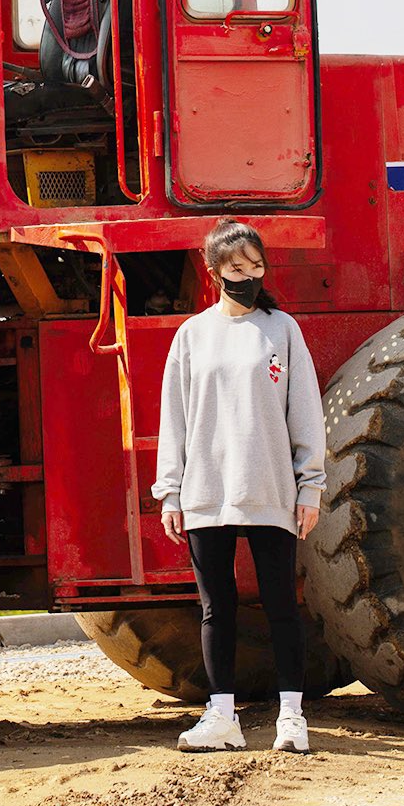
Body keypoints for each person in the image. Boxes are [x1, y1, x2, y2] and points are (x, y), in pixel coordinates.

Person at [151, 217, 326, 754]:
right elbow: (174, 419)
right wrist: (170, 492)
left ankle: (291, 717)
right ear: (214, 272)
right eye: (235, 268)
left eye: (255, 266)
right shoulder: (191, 335)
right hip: (206, 494)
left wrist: (309, 487)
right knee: (216, 608)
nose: (247, 276)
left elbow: (306, 414)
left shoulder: (283, 330)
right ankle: (221, 716)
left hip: (271, 490)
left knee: (280, 606)